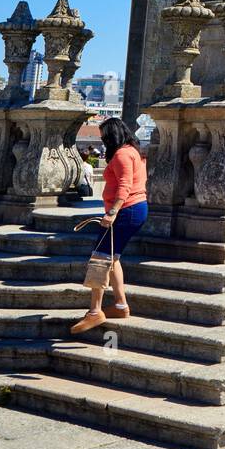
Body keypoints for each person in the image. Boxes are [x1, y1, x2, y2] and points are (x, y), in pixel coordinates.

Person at [70, 118, 148, 334]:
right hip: (135, 208)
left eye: (104, 135)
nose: (103, 140)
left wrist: (113, 212)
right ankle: (121, 305)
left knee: (99, 258)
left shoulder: (123, 154)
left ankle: (95, 311)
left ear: (113, 135)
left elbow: (125, 185)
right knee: (112, 258)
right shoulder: (134, 151)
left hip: (126, 210)